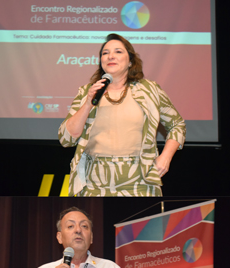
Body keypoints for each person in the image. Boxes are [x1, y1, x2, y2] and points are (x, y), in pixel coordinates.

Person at [58, 33, 186, 196]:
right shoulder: (87, 92)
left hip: (140, 183)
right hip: (94, 185)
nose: (110, 56)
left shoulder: (149, 90)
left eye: (118, 51)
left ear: (130, 61)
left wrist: (166, 157)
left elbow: (177, 125)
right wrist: (88, 102)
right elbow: (66, 139)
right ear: (101, 62)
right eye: (105, 53)